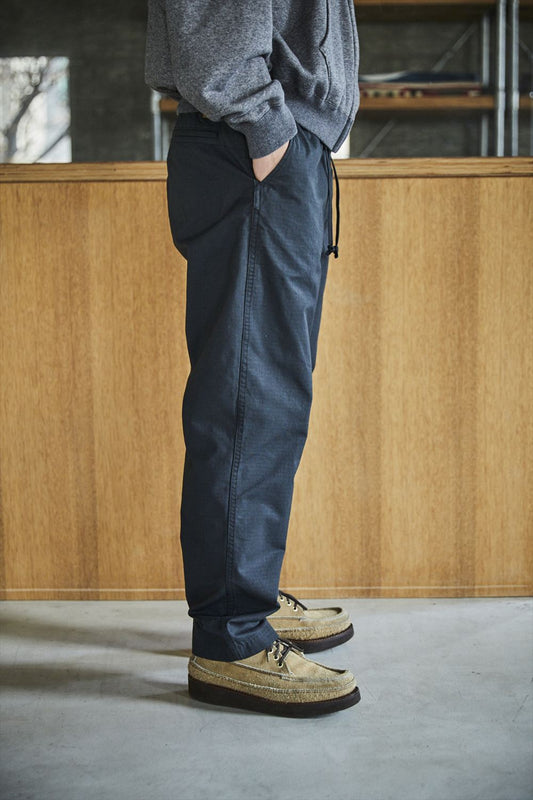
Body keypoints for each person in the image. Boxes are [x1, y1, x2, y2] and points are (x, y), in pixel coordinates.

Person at [145, 0, 361, 717]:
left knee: (267, 392)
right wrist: (266, 126)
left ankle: (246, 601)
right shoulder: (257, 132)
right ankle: (230, 635)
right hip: (252, 142)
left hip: (271, 142)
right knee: (248, 398)